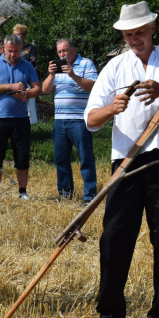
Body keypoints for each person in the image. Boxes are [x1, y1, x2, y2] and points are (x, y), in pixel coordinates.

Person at [84, 1, 159, 318]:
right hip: (126, 161)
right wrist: (110, 108)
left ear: (152, 29)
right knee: (114, 236)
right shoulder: (115, 67)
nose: (134, 38)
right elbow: (91, 120)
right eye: (128, 34)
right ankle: (110, 315)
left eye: (139, 32)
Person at [0, 34, 41, 201]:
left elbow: (37, 89)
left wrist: (25, 93)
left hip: (21, 118)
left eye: (16, 51)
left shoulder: (27, 66)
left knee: (22, 156)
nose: (13, 54)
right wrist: (10, 86)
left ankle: (22, 191)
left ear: (21, 50)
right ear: (3, 49)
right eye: (9, 51)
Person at [41, 38, 99, 202]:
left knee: (85, 158)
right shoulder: (56, 70)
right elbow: (45, 90)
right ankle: (65, 194)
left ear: (73, 50)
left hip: (79, 120)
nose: (61, 54)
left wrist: (72, 74)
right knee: (61, 159)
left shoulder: (86, 64)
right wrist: (52, 75)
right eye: (59, 52)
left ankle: (89, 196)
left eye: (64, 51)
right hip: (60, 121)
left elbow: (93, 85)